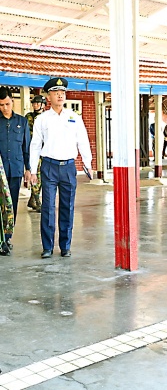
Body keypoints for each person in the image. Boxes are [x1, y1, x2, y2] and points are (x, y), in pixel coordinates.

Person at [27, 77, 93, 258]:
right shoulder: (42, 119)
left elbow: (83, 141)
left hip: (69, 167)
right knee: (47, 207)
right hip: (49, 166)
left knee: (68, 206)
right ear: (49, 96)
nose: (60, 95)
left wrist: (88, 164)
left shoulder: (74, 117)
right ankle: (47, 247)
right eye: (56, 93)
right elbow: (35, 145)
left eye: (62, 92)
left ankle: (65, 246)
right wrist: (32, 170)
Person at [0, 89, 30, 255]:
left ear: (12, 101)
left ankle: (7, 238)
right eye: (2, 105)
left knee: (12, 205)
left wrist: (28, 169)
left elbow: (26, 147)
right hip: (0, 171)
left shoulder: (22, 122)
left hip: (16, 170)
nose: (5, 108)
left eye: (7, 104)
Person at [26, 94, 45, 212]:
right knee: (35, 174)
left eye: (37, 103)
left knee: (43, 176)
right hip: (33, 150)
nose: (35, 105)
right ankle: (37, 200)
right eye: (34, 103)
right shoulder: (28, 117)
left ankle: (32, 200)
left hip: (46, 151)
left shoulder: (48, 117)